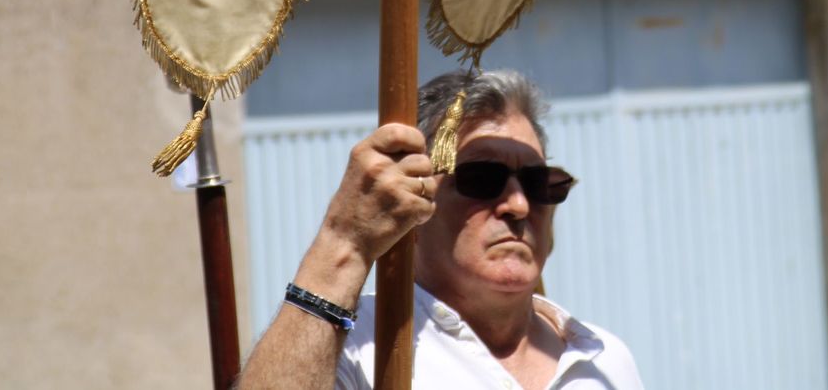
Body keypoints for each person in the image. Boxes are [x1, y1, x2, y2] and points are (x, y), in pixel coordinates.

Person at [238, 70, 644, 389]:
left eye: (538, 183)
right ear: (413, 202)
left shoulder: (605, 360)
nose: (519, 205)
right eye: (482, 180)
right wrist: (343, 241)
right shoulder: (358, 348)